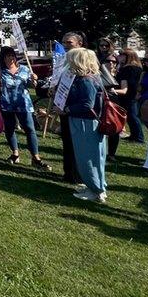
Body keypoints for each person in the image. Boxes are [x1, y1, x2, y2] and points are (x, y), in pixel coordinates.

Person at [64, 47, 107, 203]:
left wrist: (67, 109)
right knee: (94, 157)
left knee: (88, 158)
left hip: (85, 122)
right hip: (86, 121)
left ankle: (96, 190)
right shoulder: (91, 77)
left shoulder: (86, 80)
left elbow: (87, 104)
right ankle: (95, 186)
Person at [0, 46, 50, 170]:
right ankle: (15, 153)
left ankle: (35, 157)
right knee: (9, 129)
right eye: (7, 56)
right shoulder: (0, 72)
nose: (10, 58)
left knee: (30, 129)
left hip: (23, 104)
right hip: (7, 104)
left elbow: (31, 85)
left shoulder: (25, 70)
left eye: (12, 55)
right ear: (3, 58)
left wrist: (34, 81)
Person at [58, 32, 85, 185]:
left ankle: (79, 174)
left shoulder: (84, 60)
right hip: (64, 105)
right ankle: (69, 172)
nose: (66, 46)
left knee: (78, 143)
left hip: (78, 108)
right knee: (67, 141)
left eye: (69, 43)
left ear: (79, 44)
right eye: (64, 43)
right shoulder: (64, 60)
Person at [114, 48, 144, 143]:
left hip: (128, 95)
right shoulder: (138, 68)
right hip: (134, 94)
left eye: (122, 55)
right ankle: (135, 135)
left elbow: (126, 83)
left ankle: (138, 137)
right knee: (132, 116)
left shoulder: (127, 68)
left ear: (128, 57)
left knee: (132, 116)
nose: (119, 57)